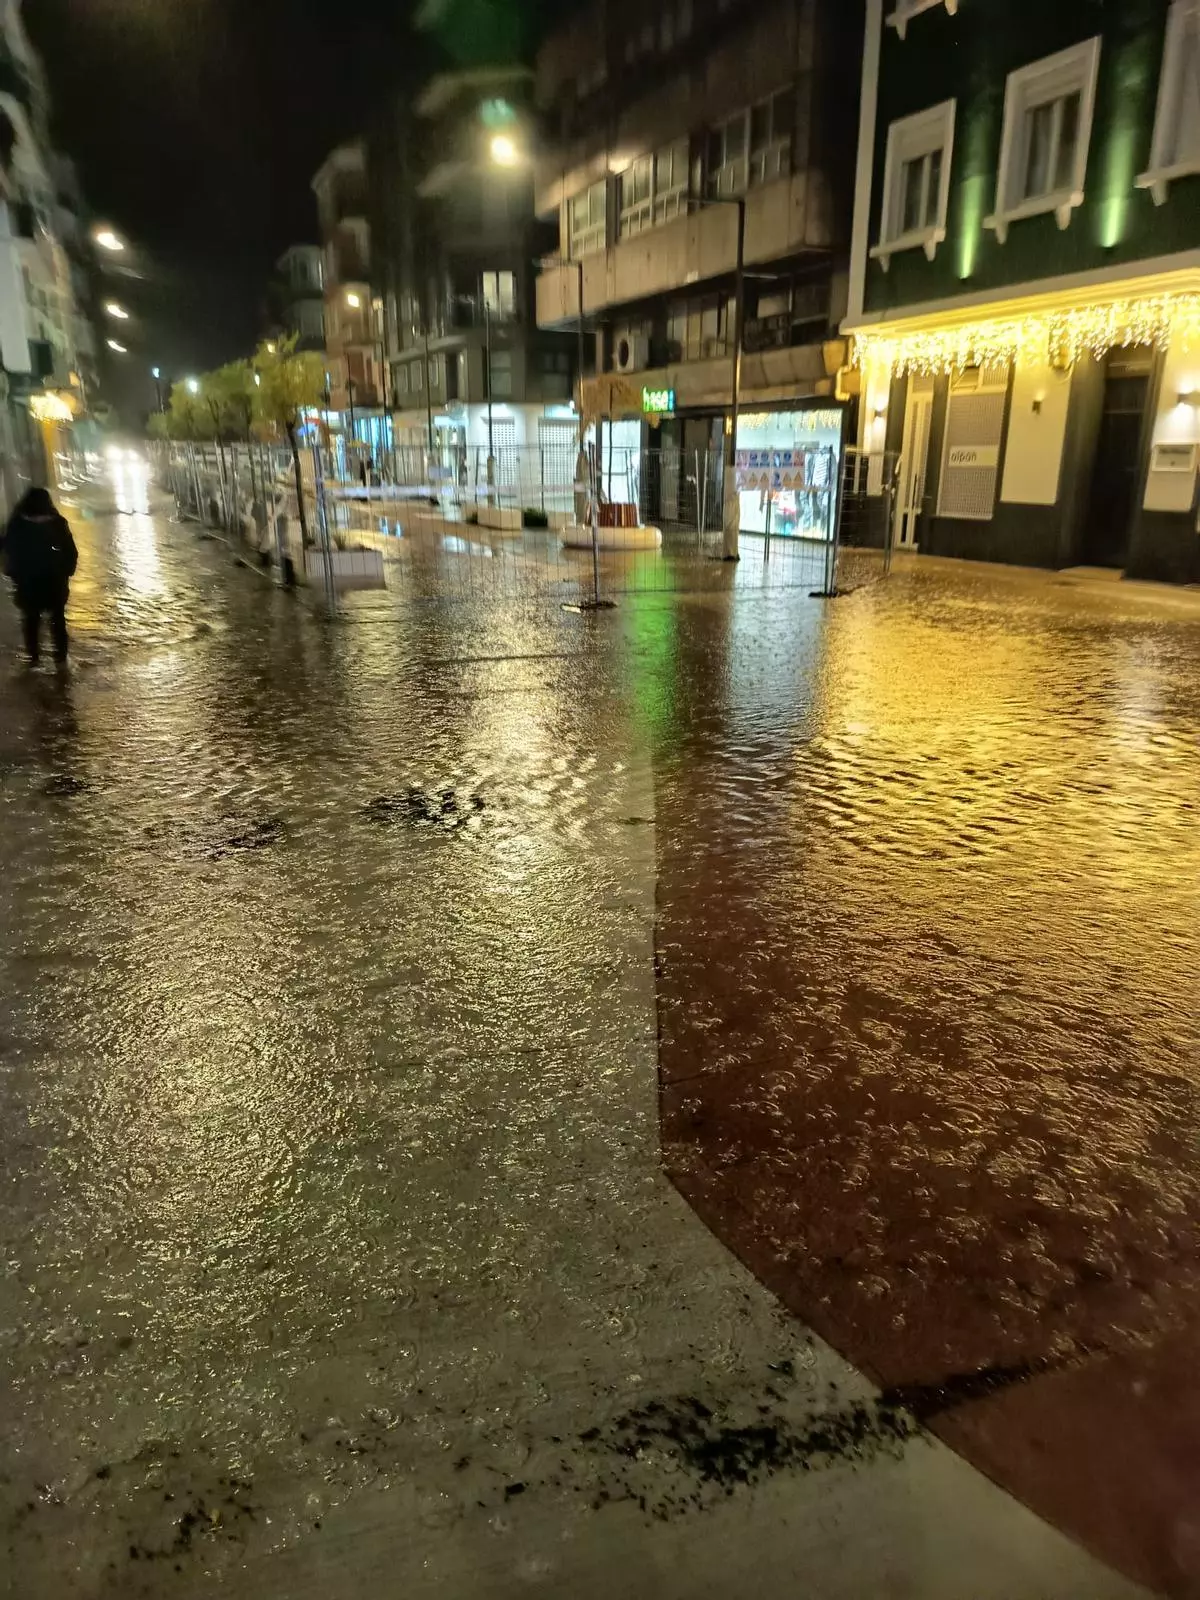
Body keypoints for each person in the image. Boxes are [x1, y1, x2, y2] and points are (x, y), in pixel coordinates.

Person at [4, 486, 78, 665]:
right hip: (54, 582)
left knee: (31, 621)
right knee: (57, 622)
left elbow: (6, 549)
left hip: (27, 583)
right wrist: (66, 572)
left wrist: (12, 573)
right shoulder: (58, 523)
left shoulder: (16, 524)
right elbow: (71, 552)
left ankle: (33, 660)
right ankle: (61, 662)